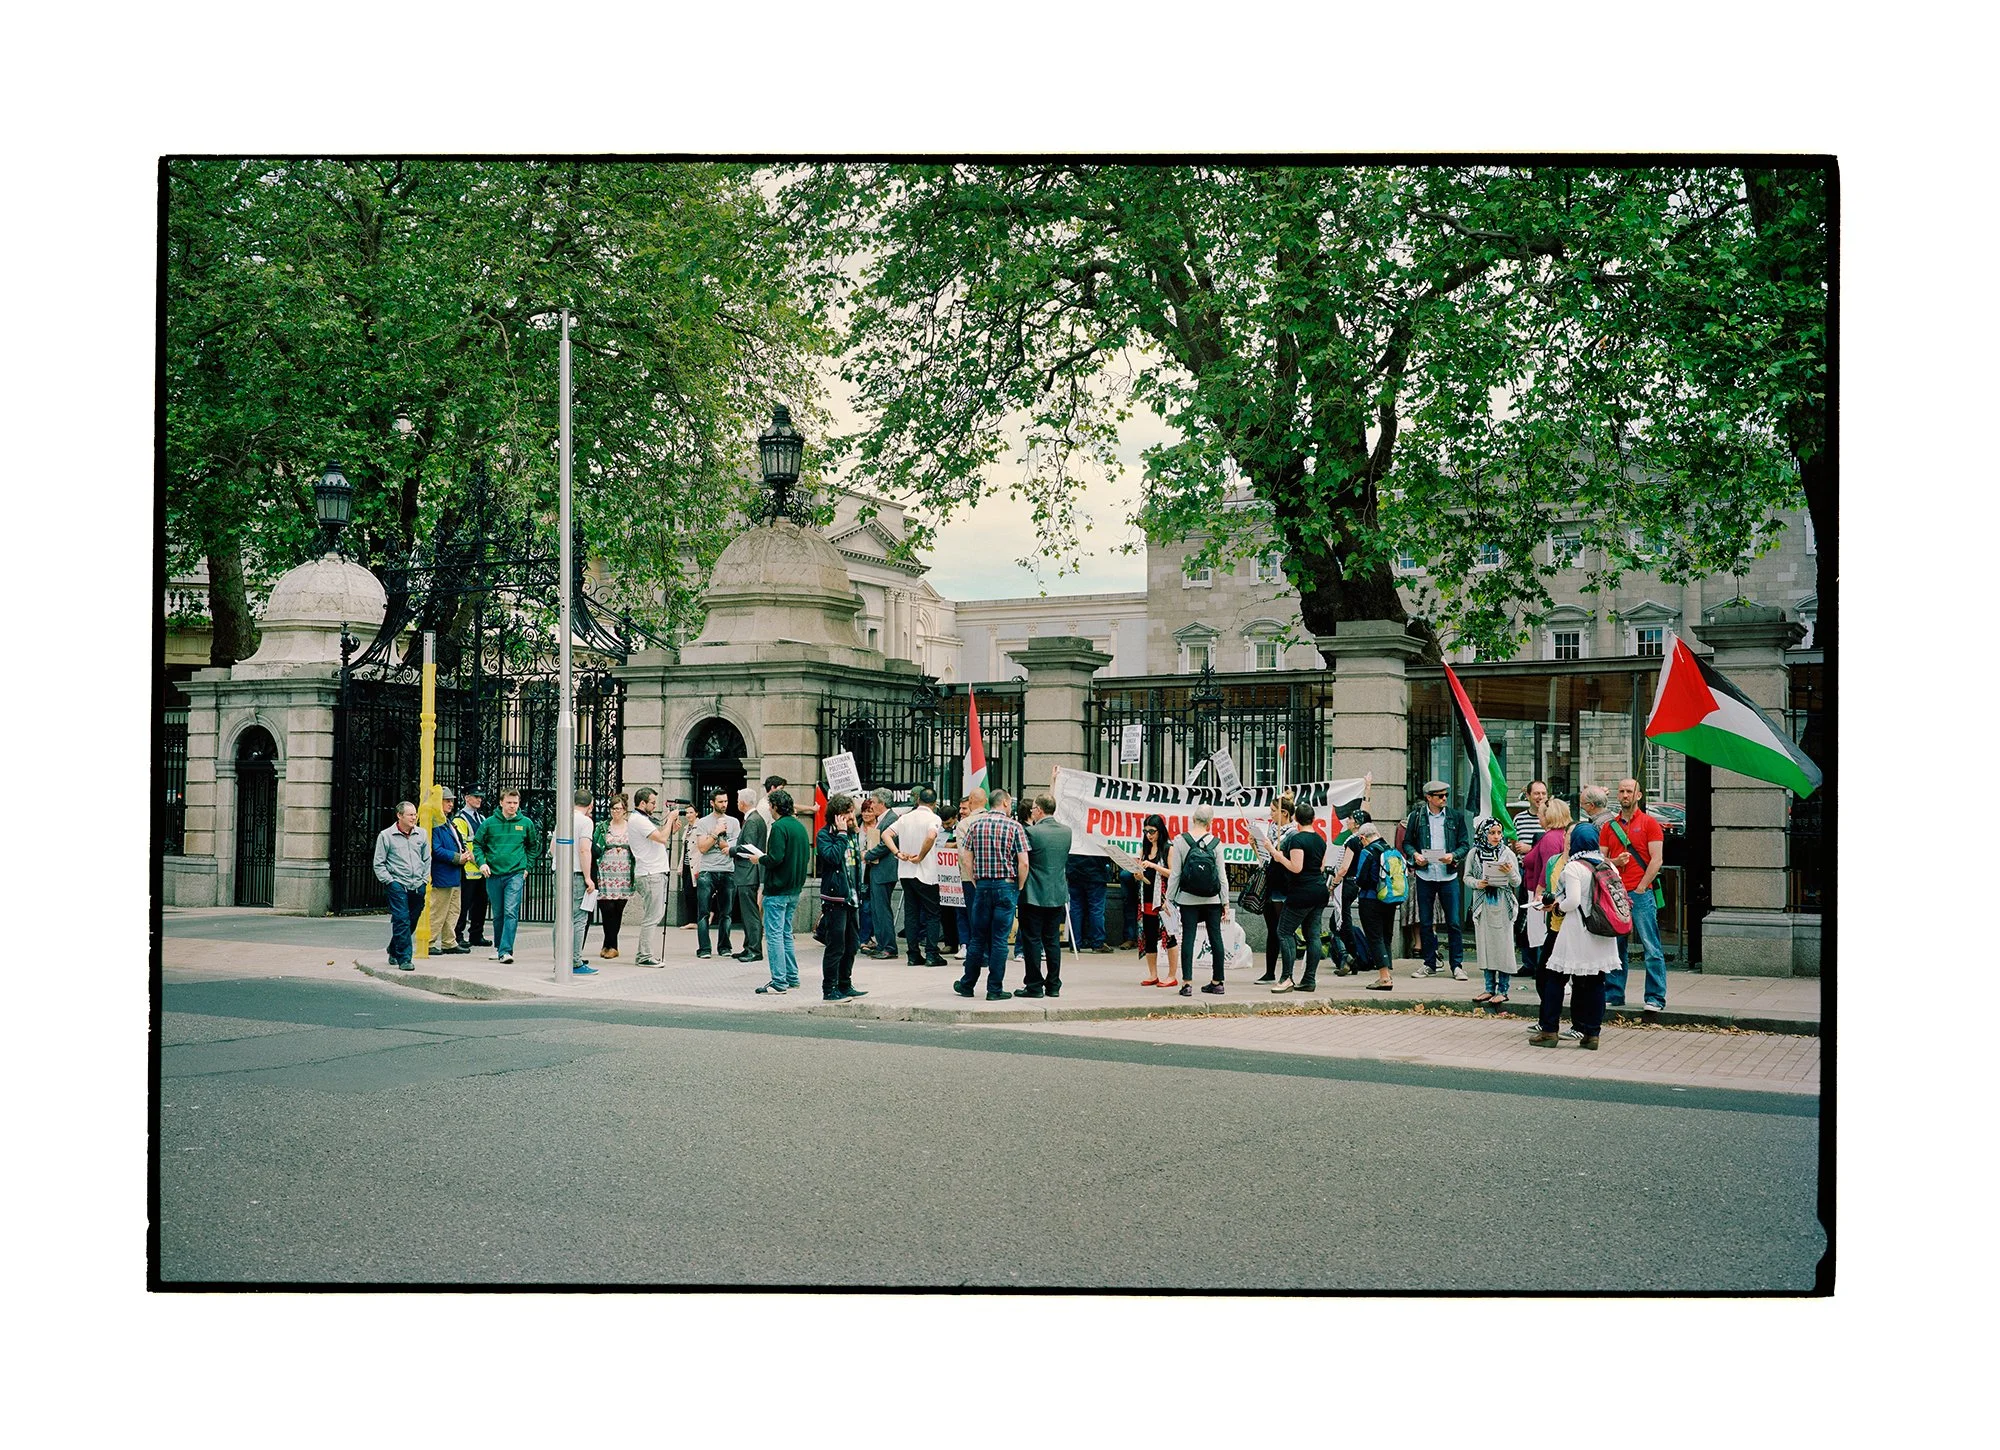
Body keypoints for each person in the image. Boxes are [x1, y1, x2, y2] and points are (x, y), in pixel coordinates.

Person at [1531, 822, 1617, 1049]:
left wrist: (1557, 908)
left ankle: (1549, 1031)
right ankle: (1592, 1034)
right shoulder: (1608, 866)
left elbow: (1573, 901)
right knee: (1595, 981)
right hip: (1602, 931)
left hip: (1577, 931)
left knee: (1554, 977)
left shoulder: (1574, 867)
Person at [953, 786, 1029, 1001]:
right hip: (1006, 886)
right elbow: (1023, 862)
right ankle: (994, 989)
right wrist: (1019, 886)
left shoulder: (975, 825)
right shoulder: (1015, 827)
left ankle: (967, 983)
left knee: (977, 937)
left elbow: (966, 857)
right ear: (1004, 803)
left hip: (983, 886)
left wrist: (975, 879)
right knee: (999, 940)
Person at [1602, 777, 1668, 1021]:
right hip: (1617, 892)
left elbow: (1656, 859)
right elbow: (1602, 859)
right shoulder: (1609, 827)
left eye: (1630, 791)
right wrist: (1614, 864)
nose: (1625, 795)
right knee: (1616, 947)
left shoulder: (1650, 823)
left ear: (1639, 795)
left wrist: (1641, 887)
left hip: (1640, 893)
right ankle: (1615, 992)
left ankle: (1655, 997)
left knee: (1651, 946)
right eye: (1621, 791)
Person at [1404, 779, 1472, 980]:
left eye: (1446, 796)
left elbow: (1464, 844)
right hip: (1425, 874)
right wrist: (1415, 855)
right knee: (1425, 922)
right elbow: (1407, 843)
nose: (1444, 799)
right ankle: (1429, 963)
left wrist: (1454, 856)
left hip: (1447, 874)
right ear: (1428, 798)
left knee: (1454, 922)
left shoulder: (1454, 817)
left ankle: (1457, 965)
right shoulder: (1416, 817)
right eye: (1440, 796)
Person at [807, 792, 868, 1001]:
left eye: (851, 812)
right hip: (835, 899)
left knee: (852, 945)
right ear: (836, 816)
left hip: (852, 897)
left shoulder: (852, 833)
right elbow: (832, 858)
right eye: (847, 813)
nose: (852, 816)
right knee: (836, 945)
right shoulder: (825, 835)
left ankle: (845, 983)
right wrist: (841, 833)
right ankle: (829, 988)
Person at [1168, 803, 1231, 995]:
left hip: (1188, 899)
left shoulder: (1180, 840)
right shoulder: (1216, 843)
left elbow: (1176, 874)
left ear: (1193, 819)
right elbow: (1222, 876)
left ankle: (1187, 984)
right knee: (1216, 938)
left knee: (1188, 938)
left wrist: (1169, 898)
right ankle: (1217, 981)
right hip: (1212, 899)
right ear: (1210, 823)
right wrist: (1225, 902)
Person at [471, 788, 539, 965]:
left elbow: (533, 846)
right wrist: (482, 863)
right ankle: (499, 946)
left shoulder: (526, 823)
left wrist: (527, 867)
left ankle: (506, 950)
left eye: (515, 803)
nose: (512, 806)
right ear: (501, 802)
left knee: (511, 911)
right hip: (493, 873)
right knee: (499, 913)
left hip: (515, 873)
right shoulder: (489, 823)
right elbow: (477, 845)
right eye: (509, 802)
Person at [1271, 800, 1331, 992]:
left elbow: (1296, 867)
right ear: (1313, 819)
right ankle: (1309, 979)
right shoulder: (1320, 839)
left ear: (1295, 818)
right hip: (1319, 891)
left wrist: (1279, 857)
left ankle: (1286, 978)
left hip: (1301, 892)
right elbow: (1321, 867)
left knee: (1284, 931)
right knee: (1313, 935)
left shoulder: (1298, 840)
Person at [1019, 792, 1072, 997]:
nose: (1032, 812)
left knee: (1032, 939)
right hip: (1057, 892)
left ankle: (1034, 985)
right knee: (1052, 940)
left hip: (1033, 893)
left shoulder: (1032, 832)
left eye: (1033, 808)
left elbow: (1025, 861)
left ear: (1039, 810)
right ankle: (1053, 984)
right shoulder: (1066, 832)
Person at [887, 785, 946, 966]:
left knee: (911, 914)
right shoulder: (934, 818)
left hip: (905, 871)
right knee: (932, 914)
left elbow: (886, 834)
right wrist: (921, 855)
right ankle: (931, 953)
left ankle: (913, 954)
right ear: (934, 804)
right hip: (926, 872)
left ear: (918, 800)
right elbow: (930, 836)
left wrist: (898, 853)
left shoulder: (905, 818)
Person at [1465, 816, 1520, 1006]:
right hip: (1483, 904)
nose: (1496, 836)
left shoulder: (1507, 853)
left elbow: (1517, 882)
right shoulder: (1475, 853)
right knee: (1486, 946)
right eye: (1492, 833)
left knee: (1503, 947)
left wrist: (1509, 872)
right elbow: (1467, 877)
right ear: (1483, 834)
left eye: (1498, 832)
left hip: (1502, 903)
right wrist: (1477, 883)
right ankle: (1489, 988)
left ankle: (1503, 990)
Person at [758, 788, 810, 993]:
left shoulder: (779, 827)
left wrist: (759, 858)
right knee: (786, 934)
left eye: (770, 806)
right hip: (794, 888)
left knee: (774, 936)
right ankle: (792, 976)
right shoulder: (799, 826)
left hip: (778, 889)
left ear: (775, 807)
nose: (769, 809)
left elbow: (775, 858)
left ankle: (779, 981)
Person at [372, 800, 430, 970]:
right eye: (410, 815)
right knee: (402, 919)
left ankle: (393, 948)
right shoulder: (386, 836)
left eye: (415, 814)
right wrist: (390, 882)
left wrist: (424, 880)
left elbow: (427, 859)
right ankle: (405, 958)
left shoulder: (422, 834)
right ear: (399, 816)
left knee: (413, 919)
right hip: (398, 884)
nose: (414, 818)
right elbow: (379, 863)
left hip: (418, 884)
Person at [1518, 799, 1572, 980]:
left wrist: (1541, 893)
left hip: (1543, 893)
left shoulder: (1549, 838)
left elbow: (1549, 870)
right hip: (1548, 892)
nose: (1538, 818)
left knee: (1544, 935)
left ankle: (1548, 975)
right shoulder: (1560, 835)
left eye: (1540, 815)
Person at [626, 788, 678, 966]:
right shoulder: (639, 820)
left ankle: (644, 953)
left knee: (655, 915)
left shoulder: (642, 819)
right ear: (642, 803)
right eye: (652, 803)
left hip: (654, 872)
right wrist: (670, 819)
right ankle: (644, 956)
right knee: (652, 916)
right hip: (650, 874)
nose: (655, 806)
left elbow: (660, 837)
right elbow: (662, 838)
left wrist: (671, 826)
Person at [1133, 813, 1182, 990]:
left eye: (1152, 831)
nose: (1149, 835)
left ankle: (1172, 975)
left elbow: (1174, 873)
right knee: (1149, 936)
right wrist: (1137, 873)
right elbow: (1140, 873)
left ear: (1160, 831)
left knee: (1169, 936)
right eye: (1146, 831)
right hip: (1146, 898)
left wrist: (1154, 866)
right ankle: (1153, 974)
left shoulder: (1169, 848)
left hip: (1164, 900)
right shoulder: (1144, 850)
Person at [553, 790, 598, 975]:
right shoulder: (586, 821)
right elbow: (584, 850)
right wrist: (588, 877)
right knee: (579, 918)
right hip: (576, 872)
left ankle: (560, 958)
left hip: (559, 871)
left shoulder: (563, 818)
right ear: (590, 805)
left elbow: (553, 846)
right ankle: (575, 961)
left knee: (561, 917)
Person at [1349, 821, 1398, 991]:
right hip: (1389, 899)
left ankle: (1384, 978)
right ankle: (1387, 974)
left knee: (1374, 937)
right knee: (1386, 935)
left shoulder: (1367, 851)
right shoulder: (1389, 849)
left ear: (1363, 837)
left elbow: (1361, 878)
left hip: (1370, 899)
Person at [691, 789, 739, 959]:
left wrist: (720, 841)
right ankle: (704, 948)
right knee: (703, 912)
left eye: (726, 801)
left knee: (726, 912)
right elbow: (702, 848)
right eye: (720, 802)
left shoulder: (734, 822)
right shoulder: (703, 822)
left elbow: (731, 847)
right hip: (707, 871)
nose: (724, 804)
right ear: (712, 803)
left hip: (727, 870)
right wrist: (716, 832)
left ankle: (724, 946)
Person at [1254, 795, 1295, 984]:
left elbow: (1282, 859)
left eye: (1273, 810)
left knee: (1283, 930)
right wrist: (1255, 846)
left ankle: (1287, 973)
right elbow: (1266, 859)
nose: (1270, 814)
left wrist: (1271, 849)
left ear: (1284, 813)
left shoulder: (1291, 834)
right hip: (1271, 882)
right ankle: (1270, 971)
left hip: (1283, 886)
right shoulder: (1272, 830)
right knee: (1272, 928)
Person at [860, 789, 903, 959]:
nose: (872, 805)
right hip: (876, 869)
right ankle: (881, 943)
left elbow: (886, 844)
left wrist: (868, 855)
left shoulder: (891, 819)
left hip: (884, 871)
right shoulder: (882, 819)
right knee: (877, 910)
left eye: (874, 802)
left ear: (882, 803)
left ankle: (889, 946)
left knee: (882, 909)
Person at [593, 793, 635, 960]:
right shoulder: (603, 826)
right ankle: (609, 942)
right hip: (605, 871)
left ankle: (612, 945)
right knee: (606, 908)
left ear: (625, 810)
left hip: (624, 872)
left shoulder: (630, 826)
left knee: (618, 909)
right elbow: (594, 846)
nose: (616, 811)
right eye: (613, 808)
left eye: (619, 808)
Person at [426, 787, 465, 955]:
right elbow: (435, 849)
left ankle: (449, 941)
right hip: (443, 873)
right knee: (438, 909)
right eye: (447, 800)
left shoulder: (446, 821)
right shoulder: (434, 823)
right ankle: (429, 942)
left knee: (453, 909)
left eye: (451, 800)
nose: (451, 803)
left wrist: (463, 854)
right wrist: (458, 857)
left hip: (453, 872)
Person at [450, 785, 489, 949]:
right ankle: (458, 935)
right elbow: (462, 844)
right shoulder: (460, 819)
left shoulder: (482, 818)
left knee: (481, 904)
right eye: (476, 796)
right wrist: (478, 862)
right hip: (468, 870)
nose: (479, 799)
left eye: (480, 797)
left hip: (481, 870)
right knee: (463, 906)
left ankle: (476, 934)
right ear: (467, 798)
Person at [732, 786, 767, 965]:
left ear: (743, 803)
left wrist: (730, 849)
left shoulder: (752, 820)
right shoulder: (755, 819)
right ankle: (749, 947)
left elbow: (748, 846)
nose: (737, 803)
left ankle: (754, 949)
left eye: (738, 800)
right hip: (748, 873)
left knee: (750, 913)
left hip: (748, 873)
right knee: (748, 913)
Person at [1065, 850, 1111, 954]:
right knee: (1096, 909)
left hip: (1074, 870)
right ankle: (1097, 943)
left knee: (1075, 909)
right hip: (1096, 871)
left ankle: (1074, 943)